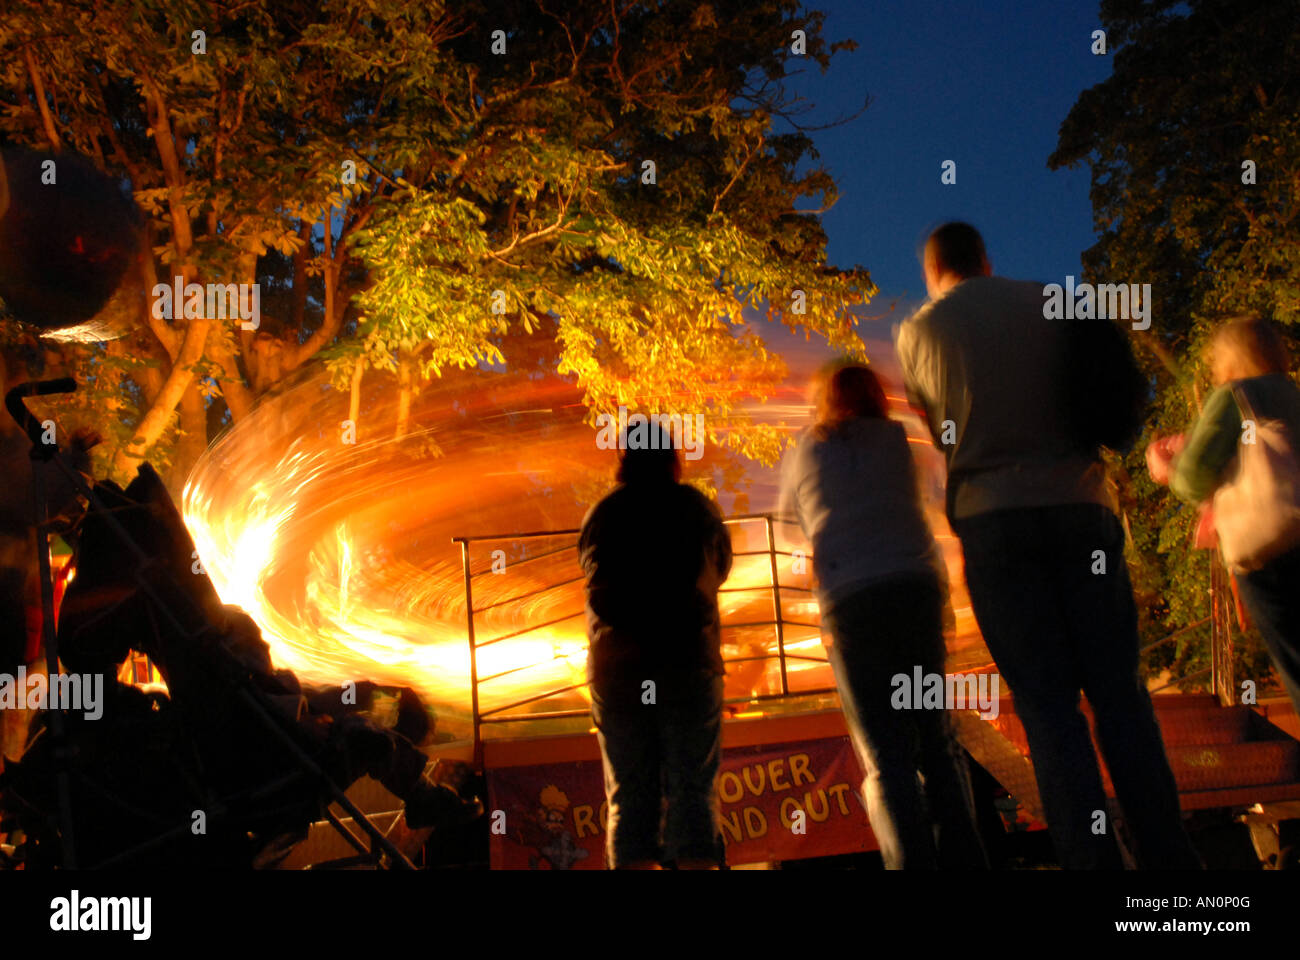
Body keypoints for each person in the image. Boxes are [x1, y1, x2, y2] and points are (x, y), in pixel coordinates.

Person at [895, 221, 1200, 869]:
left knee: (1049, 712)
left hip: (994, 520)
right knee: (1120, 696)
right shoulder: (1050, 302)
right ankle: (1173, 871)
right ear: (986, 258)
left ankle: (1095, 863)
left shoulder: (919, 331)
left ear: (933, 270)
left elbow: (938, 429)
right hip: (1080, 507)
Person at [778, 360, 987, 869]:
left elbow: (787, 530)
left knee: (884, 754)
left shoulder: (808, 449)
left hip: (852, 605)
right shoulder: (900, 442)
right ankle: (967, 860)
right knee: (936, 740)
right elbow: (925, 504)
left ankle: (911, 862)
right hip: (914, 596)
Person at [578, 423, 732, 869]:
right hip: (687, 660)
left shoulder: (602, 515)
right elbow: (718, 569)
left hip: (618, 667)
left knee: (629, 794)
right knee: (692, 789)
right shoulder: (696, 509)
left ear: (624, 458)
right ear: (673, 458)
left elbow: (593, 577)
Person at [1147, 315, 1300, 717]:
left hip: (1270, 551)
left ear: (1231, 358)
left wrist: (1168, 466)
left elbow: (1193, 477)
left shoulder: (1235, 395)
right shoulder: (1291, 393)